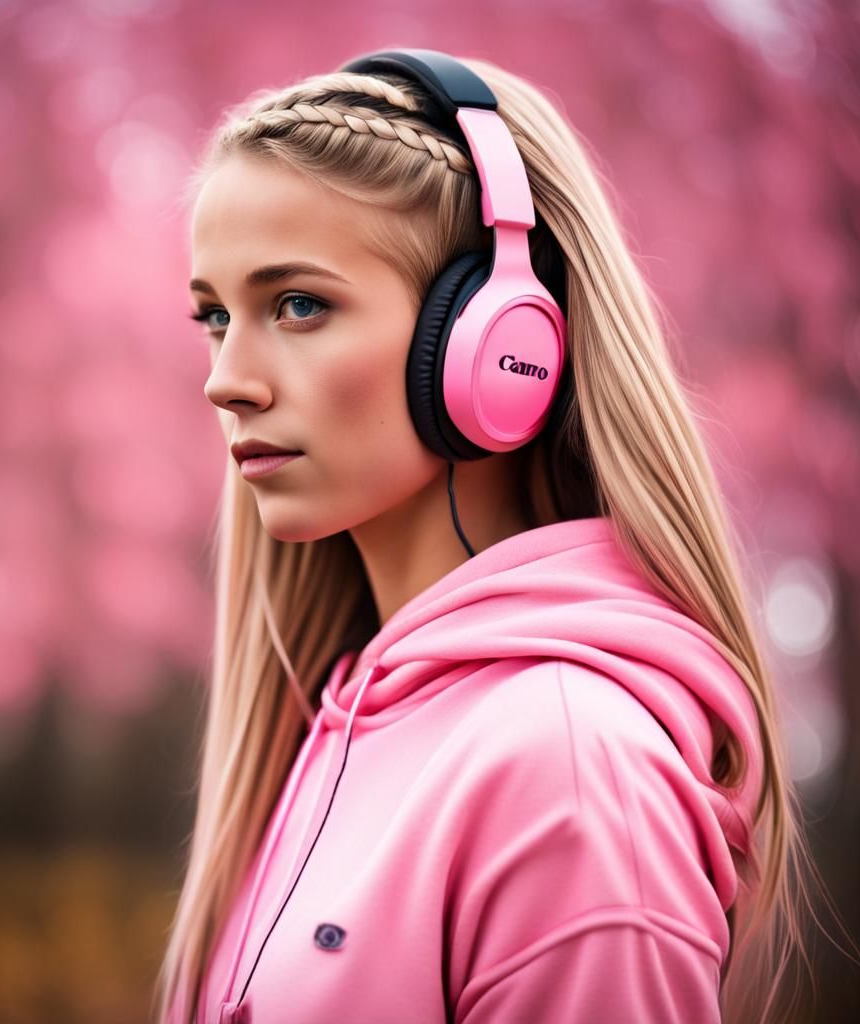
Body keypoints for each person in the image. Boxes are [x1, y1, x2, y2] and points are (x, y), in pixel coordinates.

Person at [155, 48, 818, 1024]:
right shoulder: (334, 725)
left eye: (298, 304)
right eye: (216, 316)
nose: (226, 378)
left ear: (498, 347)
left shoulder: (571, 777)